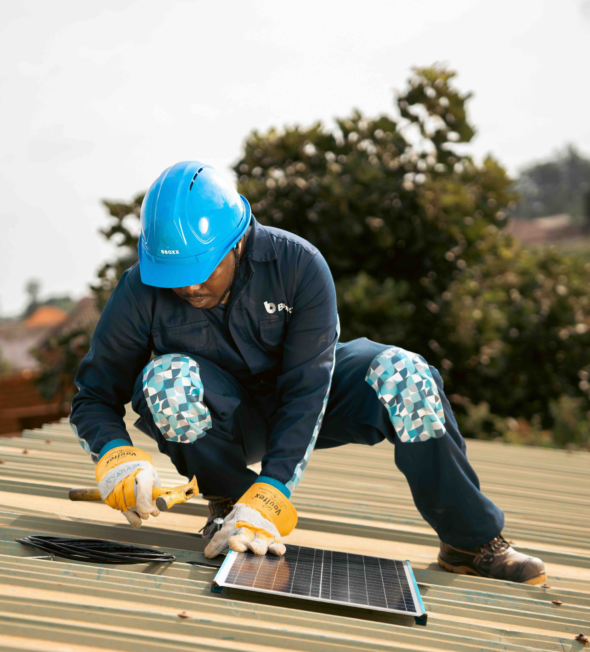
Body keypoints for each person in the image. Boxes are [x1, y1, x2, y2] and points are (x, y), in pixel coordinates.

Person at [70, 161, 546, 584]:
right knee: (167, 382)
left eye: (203, 268)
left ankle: (469, 541)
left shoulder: (299, 265)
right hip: (228, 419)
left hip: (307, 398)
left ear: (237, 242)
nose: (190, 286)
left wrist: (273, 494)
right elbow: (93, 395)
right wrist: (115, 455)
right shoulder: (139, 290)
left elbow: (307, 390)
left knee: (406, 375)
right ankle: (231, 510)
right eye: (175, 278)